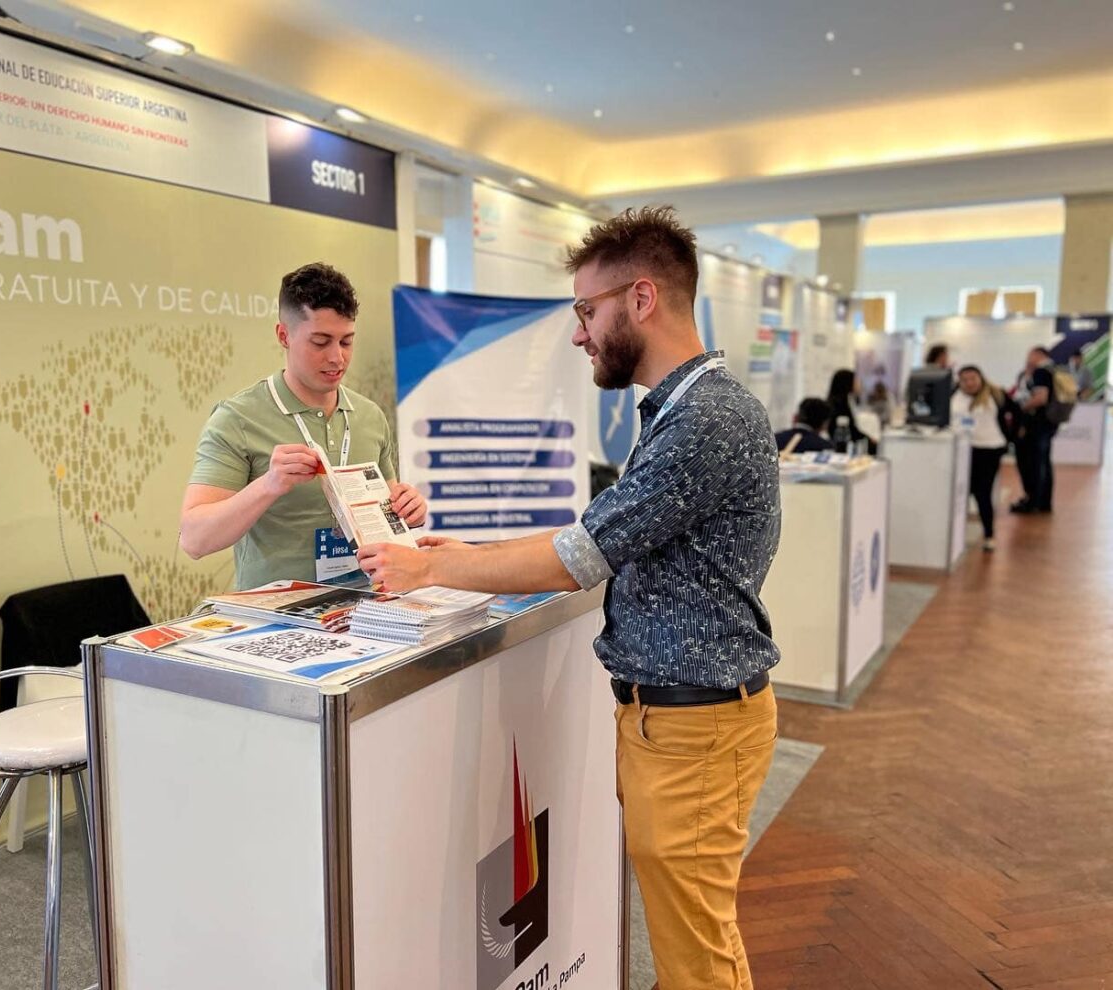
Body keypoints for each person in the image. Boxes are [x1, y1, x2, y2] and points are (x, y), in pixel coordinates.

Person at [358, 206, 781, 990]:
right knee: (693, 938)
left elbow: (577, 558)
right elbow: (601, 532)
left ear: (641, 298)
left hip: (695, 728)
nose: (580, 334)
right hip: (679, 722)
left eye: (587, 311)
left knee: (697, 956)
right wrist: (468, 557)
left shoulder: (705, 420)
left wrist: (427, 572)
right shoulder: (687, 410)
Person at [179, 262, 427, 587]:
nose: (337, 358)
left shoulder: (370, 417)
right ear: (284, 335)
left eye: (346, 342)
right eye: (321, 342)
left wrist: (408, 511)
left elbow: (387, 517)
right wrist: (268, 485)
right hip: (277, 612)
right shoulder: (237, 419)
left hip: (367, 606)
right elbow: (194, 541)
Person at [951, 366, 1016, 551]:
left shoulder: (996, 394)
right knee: (963, 491)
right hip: (963, 448)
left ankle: (989, 534)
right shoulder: (954, 396)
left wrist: (1011, 437)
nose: (969, 383)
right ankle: (957, 533)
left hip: (989, 449)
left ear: (981, 378)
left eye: (973, 378)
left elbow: (1016, 412)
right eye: (965, 380)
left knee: (982, 492)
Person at [1012, 346, 1058, 514]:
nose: (1028, 359)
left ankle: (1033, 501)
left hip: (1036, 424)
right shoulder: (1053, 371)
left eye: (1030, 355)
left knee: (1032, 462)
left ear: (1039, 355)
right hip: (1047, 423)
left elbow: (1040, 398)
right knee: (1043, 462)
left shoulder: (1041, 372)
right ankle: (1043, 501)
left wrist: (1020, 409)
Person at [826, 369, 877, 455]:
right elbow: (850, 430)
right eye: (856, 381)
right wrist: (868, 439)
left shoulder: (844, 401)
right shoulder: (839, 405)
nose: (859, 384)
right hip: (841, 448)